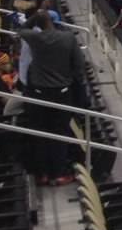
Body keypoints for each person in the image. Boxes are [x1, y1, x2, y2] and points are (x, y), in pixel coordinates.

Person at [17, 11, 86, 185]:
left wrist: (35, 17)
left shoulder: (35, 38)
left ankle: (43, 174)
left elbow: (21, 29)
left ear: (38, 25)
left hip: (39, 93)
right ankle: (59, 173)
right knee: (59, 133)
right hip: (62, 92)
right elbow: (78, 64)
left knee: (40, 133)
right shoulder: (68, 37)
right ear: (54, 22)